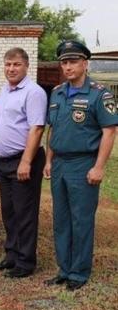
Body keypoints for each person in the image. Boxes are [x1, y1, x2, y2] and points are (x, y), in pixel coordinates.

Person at [43, 40, 117, 291]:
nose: (68, 66)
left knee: (81, 220)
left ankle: (79, 272)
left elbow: (109, 131)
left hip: (83, 163)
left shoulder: (99, 94)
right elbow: (53, 129)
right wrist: (49, 160)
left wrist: (99, 167)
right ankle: (64, 269)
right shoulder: (57, 93)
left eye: (73, 61)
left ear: (85, 63)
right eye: (64, 62)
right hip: (60, 164)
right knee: (61, 220)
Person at [0, 48, 47, 278]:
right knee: (9, 212)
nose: (11, 69)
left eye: (16, 64)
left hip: (23, 160)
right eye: (8, 64)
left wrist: (26, 162)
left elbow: (37, 128)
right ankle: (11, 255)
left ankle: (25, 262)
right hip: (3, 162)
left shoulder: (33, 92)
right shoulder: (5, 89)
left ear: (26, 66)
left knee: (25, 212)